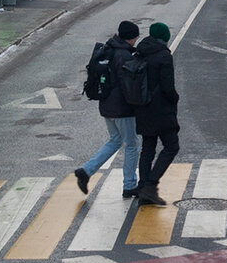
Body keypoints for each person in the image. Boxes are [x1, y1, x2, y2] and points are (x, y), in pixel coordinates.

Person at [74, 21, 142, 199]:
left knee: (115, 141)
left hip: (106, 105)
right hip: (122, 109)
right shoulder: (124, 56)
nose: (136, 40)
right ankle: (129, 185)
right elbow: (128, 84)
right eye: (135, 36)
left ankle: (86, 171)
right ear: (130, 37)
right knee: (132, 146)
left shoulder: (110, 49)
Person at [133, 22, 180, 205]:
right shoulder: (163, 56)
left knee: (148, 148)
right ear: (165, 38)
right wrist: (175, 99)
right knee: (171, 146)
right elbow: (168, 87)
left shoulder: (141, 52)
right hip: (161, 110)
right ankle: (150, 186)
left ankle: (143, 185)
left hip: (143, 107)